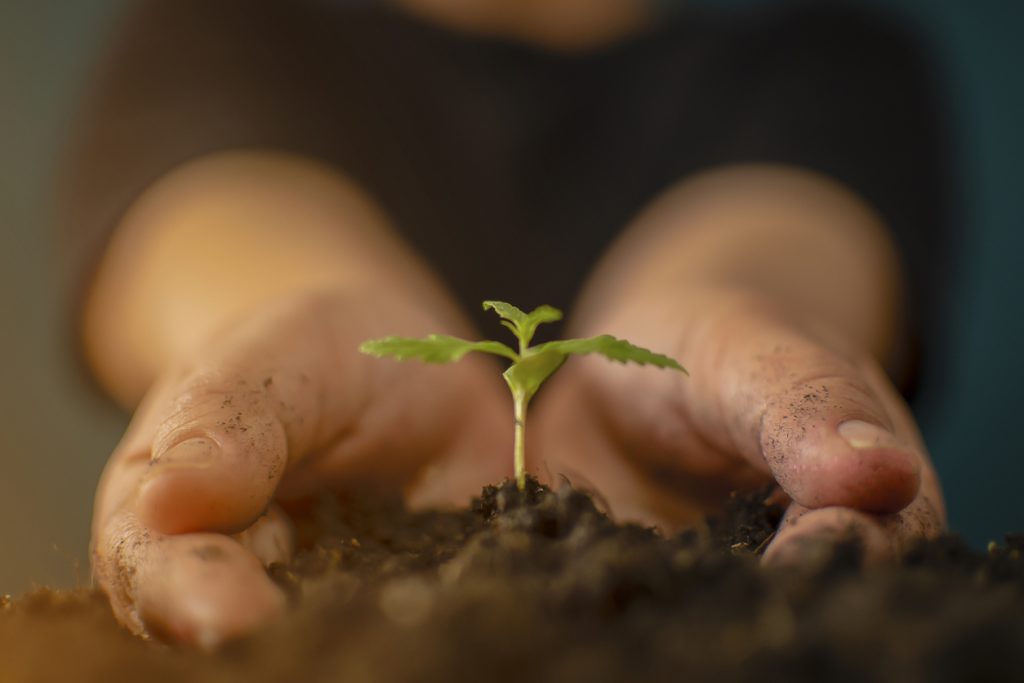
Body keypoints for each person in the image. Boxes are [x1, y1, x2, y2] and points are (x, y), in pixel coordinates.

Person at [62, 0, 950, 647]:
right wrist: (275, 328)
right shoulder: (216, 27)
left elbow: (787, 224)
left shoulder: (827, 54)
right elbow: (210, 207)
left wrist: (736, 315)